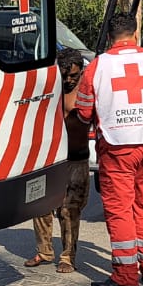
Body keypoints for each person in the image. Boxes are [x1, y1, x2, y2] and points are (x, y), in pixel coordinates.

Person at [76, 13, 143, 286]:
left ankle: (124, 275)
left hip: (117, 147)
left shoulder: (98, 66)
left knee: (120, 210)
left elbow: (84, 109)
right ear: (135, 34)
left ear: (110, 37)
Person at [28, 47, 94, 273]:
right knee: (40, 206)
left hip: (76, 159)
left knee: (69, 211)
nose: (68, 80)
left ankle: (68, 256)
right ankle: (45, 250)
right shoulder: (51, 88)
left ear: (81, 71)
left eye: (73, 76)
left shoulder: (88, 90)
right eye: (64, 75)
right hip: (49, 158)